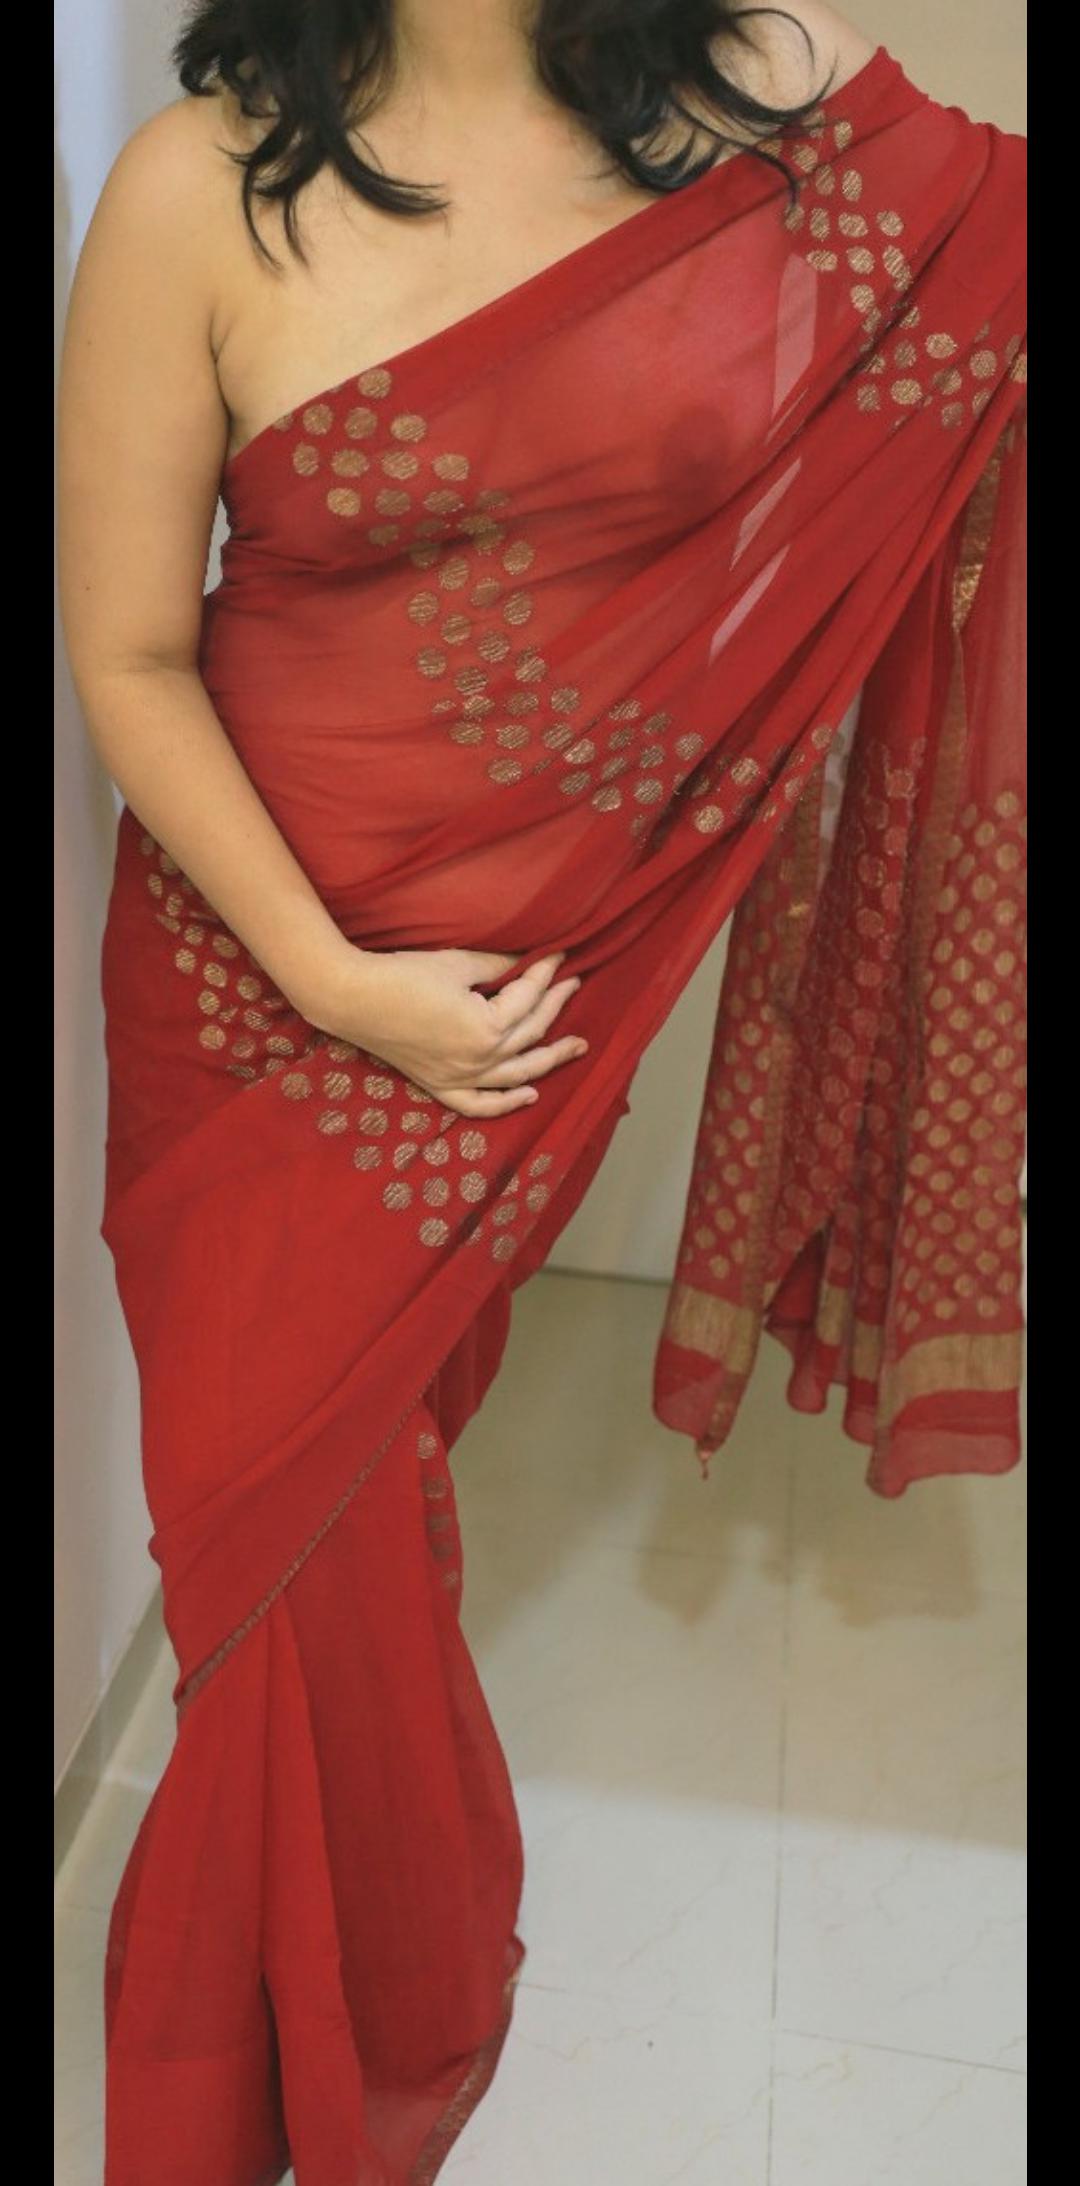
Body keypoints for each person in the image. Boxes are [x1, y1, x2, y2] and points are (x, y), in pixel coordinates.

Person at [57, 2, 1027, 2178]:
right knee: (286, 1568)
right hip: (252, 995)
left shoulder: (761, 95)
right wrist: (339, 981)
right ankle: (283, 2072)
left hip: (525, 1008)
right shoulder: (195, 188)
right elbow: (128, 653)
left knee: (367, 1522)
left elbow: (979, 297)